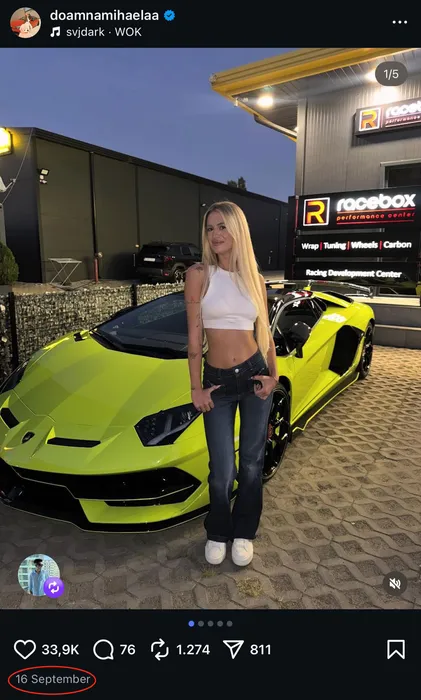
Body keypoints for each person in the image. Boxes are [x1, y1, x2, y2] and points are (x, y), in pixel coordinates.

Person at [184, 201, 278, 567]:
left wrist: (273, 375)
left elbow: (264, 333)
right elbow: (194, 338)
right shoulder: (199, 275)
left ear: (238, 230)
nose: (215, 234)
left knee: (252, 463)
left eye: (222, 226)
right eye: (210, 228)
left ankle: (244, 531)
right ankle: (218, 530)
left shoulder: (255, 279)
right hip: (218, 383)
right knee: (222, 468)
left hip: (254, 375)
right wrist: (196, 388)